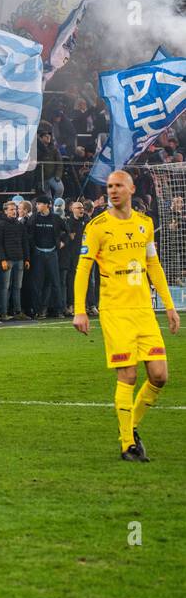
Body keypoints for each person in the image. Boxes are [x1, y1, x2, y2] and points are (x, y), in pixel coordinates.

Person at [72, 169, 180, 462]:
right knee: (128, 374)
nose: (113, 190)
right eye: (109, 186)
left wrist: (169, 306)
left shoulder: (145, 224)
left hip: (144, 310)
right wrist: (80, 310)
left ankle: (130, 426)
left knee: (159, 376)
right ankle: (127, 444)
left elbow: (153, 266)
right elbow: (83, 269)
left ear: (131, 189)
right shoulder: (97, 227)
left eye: (119, 185)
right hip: (115, 310)